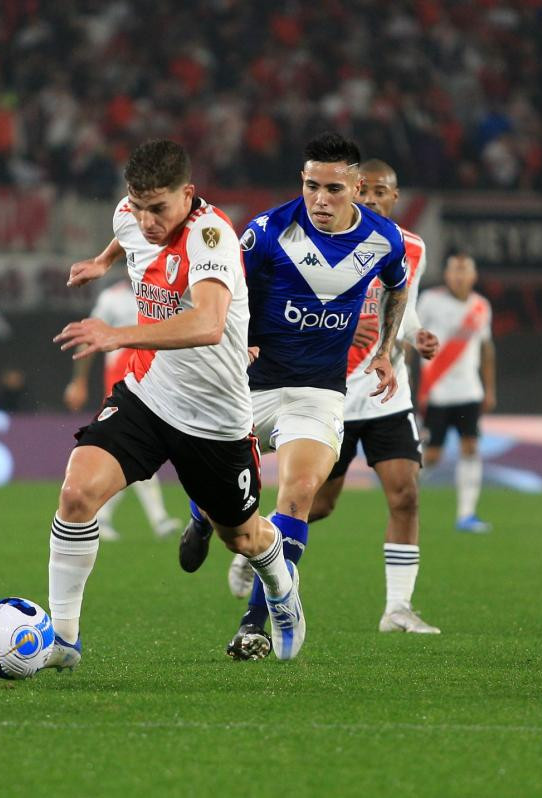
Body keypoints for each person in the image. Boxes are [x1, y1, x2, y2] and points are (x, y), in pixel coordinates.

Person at [43, 139, 305, 671]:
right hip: (148, 395)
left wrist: (119, 335)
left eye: (158, 208)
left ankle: (280, 585)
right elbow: (125, 236)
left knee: (243, 536)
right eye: (137, 205)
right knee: (76, 494)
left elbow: (208, 324)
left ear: (187, 194)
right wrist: (101, 261)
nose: (145, 220)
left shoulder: (212, 238)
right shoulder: (130, 214)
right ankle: (64, 641)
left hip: (215, 418)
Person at [177, 132, 411, 660]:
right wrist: (243, 338)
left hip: (317, 390)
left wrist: (385, 348)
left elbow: (398, 282)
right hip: (251, 384)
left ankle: (256, 622)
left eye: (333, 188)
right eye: (311, 187)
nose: (320, 199)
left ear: (356, 186)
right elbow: (222, 288)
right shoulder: (266, 232)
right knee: (229, 503)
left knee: (300, 491)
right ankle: (200, 512)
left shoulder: (384, 238)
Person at [305, 158, 442, 634]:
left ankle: (397, 608)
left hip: (388, 394)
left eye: (380, 192)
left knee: (405, 496)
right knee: (314, 505)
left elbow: (405, 307)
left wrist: (417, 336)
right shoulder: (320, 242)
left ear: (393, 197)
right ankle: (260, 548)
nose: (370, 200)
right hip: (331, 394)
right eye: (364, 192)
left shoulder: (412, 248)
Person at [62, 277, 182, 541]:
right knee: (134, 446)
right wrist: (79, 381)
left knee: (134, 450)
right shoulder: (112, 298)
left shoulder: (164, 288)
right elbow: (88, 337)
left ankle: (104, 517)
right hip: (122, 378)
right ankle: (156, 519)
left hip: (155, 376)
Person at [416, 253, 496, 533]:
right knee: (433, 456)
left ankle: (467, 514)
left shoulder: (481, 307)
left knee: (470, 448)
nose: (459, 276)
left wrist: (489, 389)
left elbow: (487, 350)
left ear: (473, 276)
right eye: (454, 271)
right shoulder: (429, 301)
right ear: (447, 274)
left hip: (469, 391)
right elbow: (412, 337)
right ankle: (405, 501)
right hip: (438, 391)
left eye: (465, 271)